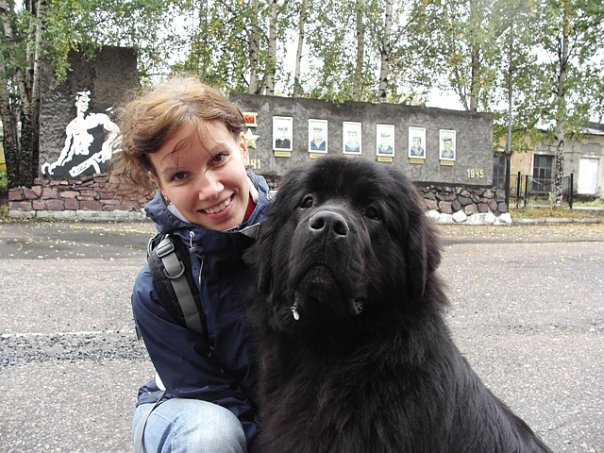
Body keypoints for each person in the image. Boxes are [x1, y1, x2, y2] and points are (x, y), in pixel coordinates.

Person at [114, 76, 272, 453]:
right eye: (180, 175)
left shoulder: (302, 234)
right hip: (191, 409)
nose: (211, 189)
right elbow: (209, 393)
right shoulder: (160, 284)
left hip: (283, 410)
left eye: (218, 158)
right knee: (212, 434)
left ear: (242, 148)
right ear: (159, 184)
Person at [41, 90, 120, 177]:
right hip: (80, 163)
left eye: (87, 102)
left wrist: (107, 144)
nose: (86, 104)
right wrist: (59, 164)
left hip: (98, 158)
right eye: (83, 101)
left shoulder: (99, 118)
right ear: (76, 103)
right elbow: (67, 150)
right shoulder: (72, 126)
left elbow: (116, 131)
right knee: (61, 171)